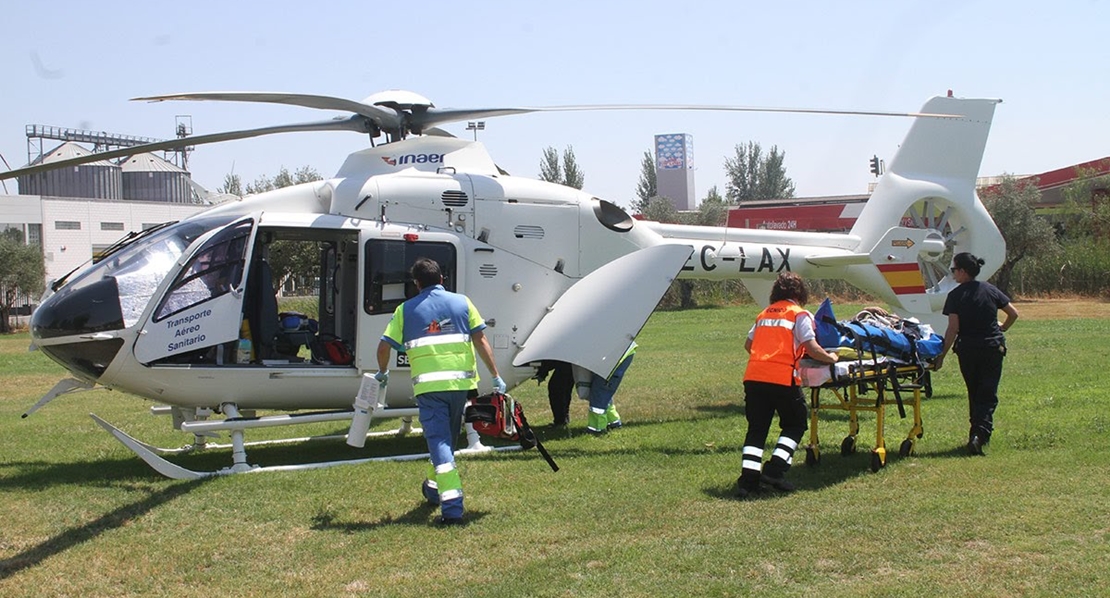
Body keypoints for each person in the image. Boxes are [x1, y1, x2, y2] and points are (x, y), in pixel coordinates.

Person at [376, 257, 506, 526]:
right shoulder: (462, 302)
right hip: (461, 385)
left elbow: (384, 346)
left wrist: (383, 372)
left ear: (416, 283)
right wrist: (495, 376)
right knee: (447, 440)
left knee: (439, 441)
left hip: (430, 389)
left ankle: (453, 508)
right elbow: (481, 340)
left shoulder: (405, 310)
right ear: (442, 280)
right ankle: (432, 488)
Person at [737, 272, 838, 500]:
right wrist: (830, 358)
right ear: (799, 293)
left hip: (754, 378)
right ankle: (775, 470)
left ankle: (748, 484)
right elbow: (811, 347)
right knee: (795, 424)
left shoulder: (763, 314)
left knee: (757, 430)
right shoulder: (798, 315)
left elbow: (748, 345)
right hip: (782, 379)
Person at [933, 252, 1019, 456]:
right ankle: (979, 435)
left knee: (974, 392)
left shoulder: (955, 295)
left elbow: (952, 329)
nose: (953, 273)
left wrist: (942, 355)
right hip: (992, 348)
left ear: (963, 271)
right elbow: (1013, 313)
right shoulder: (990, 290)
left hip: (967, 350)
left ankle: (977, 433)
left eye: (954, 270)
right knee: (988, 394)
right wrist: (1003, 328)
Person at [582, 342, 636, 435]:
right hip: (621, 352)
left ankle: (597, 429)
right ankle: (613, 422)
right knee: (603, 392)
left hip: (616, 355)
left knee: (600, 392)